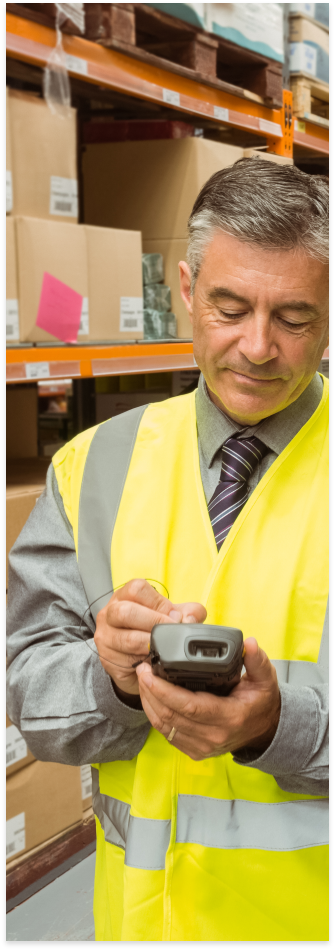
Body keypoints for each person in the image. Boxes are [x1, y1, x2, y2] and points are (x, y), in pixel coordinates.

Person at [6, 159, 329, 942]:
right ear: (184, 290)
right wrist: (110, 680)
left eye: (292, 317)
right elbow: (29, 695)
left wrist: (273, 725)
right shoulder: (92, 467)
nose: (256, 347)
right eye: (228, 308)